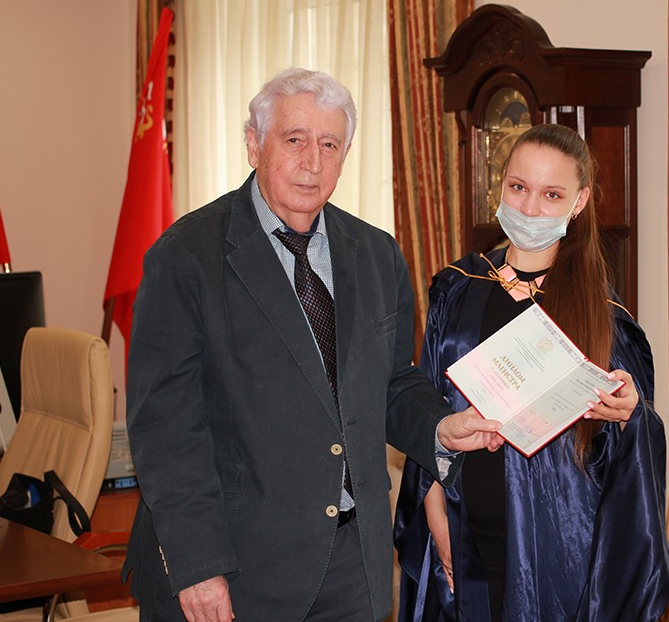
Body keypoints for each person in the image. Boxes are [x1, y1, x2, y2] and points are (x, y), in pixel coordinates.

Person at [122, 67, 503, 622]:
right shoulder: (186, 257)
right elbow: (165, 429)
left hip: (352, 562)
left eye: (329, 145)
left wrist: (440, 427)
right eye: (294, 140)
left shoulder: (376, 255)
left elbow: (391, 384)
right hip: (234, 563)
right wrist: (200, 564)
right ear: (254, 144)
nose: (313, 162)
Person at [394, 123, 669, 621]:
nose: (528, 208)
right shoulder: (458, 288)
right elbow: (429, 407)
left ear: (579, 201)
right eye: (518, 187)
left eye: (552, 195)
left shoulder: (603, 316)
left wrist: (631, 413)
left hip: (559, 555)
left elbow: (634, 457)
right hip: (461, 533)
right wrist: (434, 509)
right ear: (500, 185)